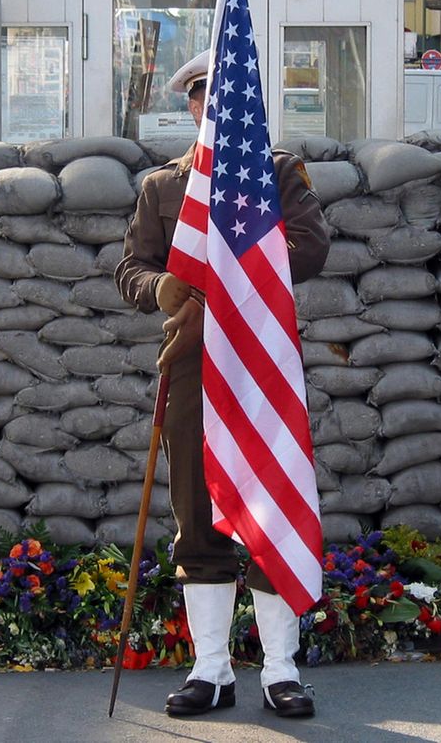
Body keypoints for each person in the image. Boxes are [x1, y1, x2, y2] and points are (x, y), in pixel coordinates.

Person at [115, 49, 329, 721]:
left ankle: (280, 670)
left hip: (261, 372)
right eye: (205, 96)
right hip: (192, 369)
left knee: (268, 509)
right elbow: (131, 271)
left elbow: (311, 246)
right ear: (192, 106)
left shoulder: (279, 174)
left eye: (230, 95)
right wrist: (162, 288)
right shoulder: (163, 188)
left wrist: (236, 273)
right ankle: (211, 670)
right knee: (197, 520)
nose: (217, 106)